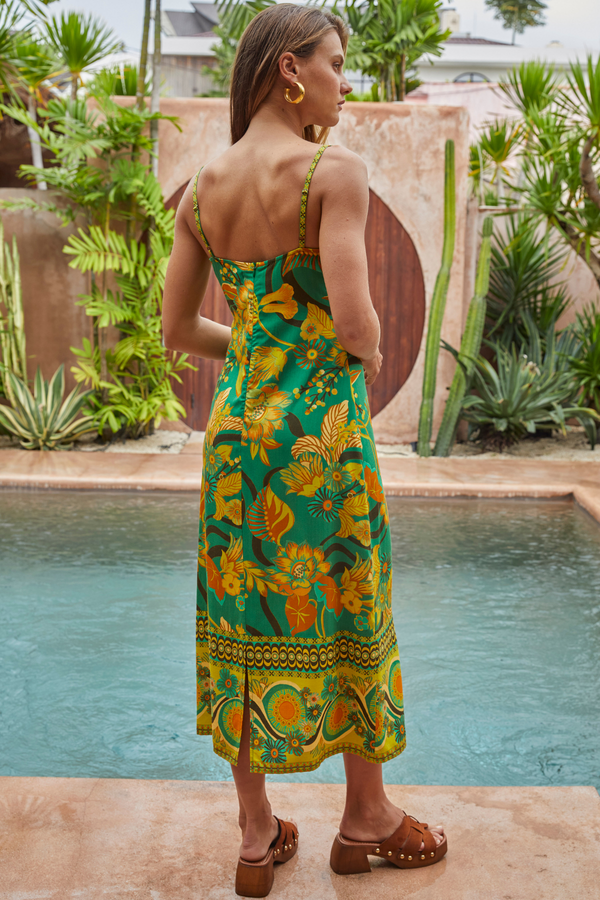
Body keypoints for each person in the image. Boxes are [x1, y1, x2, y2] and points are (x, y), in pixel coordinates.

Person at [162, 4, 446, 896]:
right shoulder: (334, 171)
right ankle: (367, 817)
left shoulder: (201, 188)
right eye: (336, 64)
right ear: (291, 69)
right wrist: (362, 354)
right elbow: (357, 325)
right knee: (352, 598)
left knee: (242, 612)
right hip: (320, 437)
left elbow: (178, 330)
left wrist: (257, 348)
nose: (345, 83)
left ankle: (256, 835)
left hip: (237, 440)